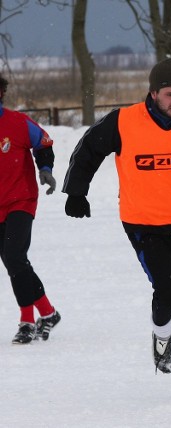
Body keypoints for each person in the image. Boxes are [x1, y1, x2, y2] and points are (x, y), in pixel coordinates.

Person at [62, 58, 171, 399]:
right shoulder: (125, 121)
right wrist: (76, 192)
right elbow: (88, 149)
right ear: (153, 92)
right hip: (143, 224)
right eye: (170, 93)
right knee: (169, 287)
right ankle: (161, 337)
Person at [0, 73, 61, 345]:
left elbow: (44, 142)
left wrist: (45, 169)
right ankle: (47, 312)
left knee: (13, 256)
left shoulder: (18, 122)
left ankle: (27, 320)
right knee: (15, 262)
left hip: (20, 200)